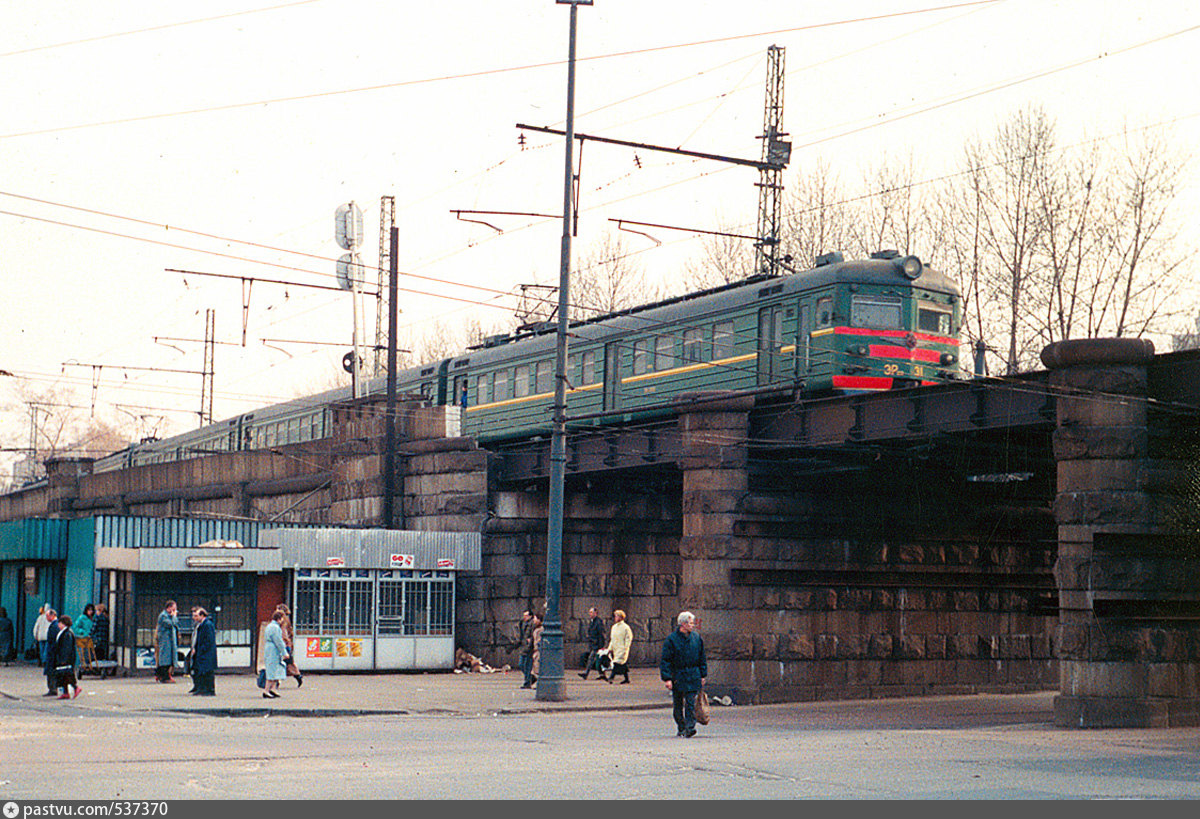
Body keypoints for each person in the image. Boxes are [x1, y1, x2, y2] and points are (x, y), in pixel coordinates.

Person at [660, 610, 707, 738]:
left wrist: (703, 675)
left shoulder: (696, 638)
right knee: (678, 704)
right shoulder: (671, 640)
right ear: (683, 624)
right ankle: (681, 726)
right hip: (678, 675)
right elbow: (666, 660)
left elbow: (702, 657)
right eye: (691, 623)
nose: (693, 625)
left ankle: (690, 727)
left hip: (693, 674)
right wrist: (667, 678)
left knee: (691, 702)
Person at [51, 614, 81, 699]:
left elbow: (66, 648)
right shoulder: (64, 632)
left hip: (65, 659)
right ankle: (65, 692)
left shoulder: (67, 634)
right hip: (62, 658)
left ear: (63, 623)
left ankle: (75, 688)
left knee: (67, 675)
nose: (58, 625)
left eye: (59, 623)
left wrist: (64, 659)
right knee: (63, 676)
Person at [190, 607, 217, 696]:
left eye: (196, 616)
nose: (195, 618)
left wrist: (201, 650)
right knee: (202, 671)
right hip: (203, 652)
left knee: (207, 672)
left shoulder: (207, 625)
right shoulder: (202, 625)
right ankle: (203, 689)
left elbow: (208, 640)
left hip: (207, 653)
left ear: (202, 615)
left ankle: (209, 690)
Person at [262, 610, 288, 699]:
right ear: (279, 619)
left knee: (275, 668)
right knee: (272, 669)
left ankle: (273, 688)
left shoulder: (269, 626)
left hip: (269, 648)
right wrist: (284, 652)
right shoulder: (275, 628)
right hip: (273, 650)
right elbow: (278, 641)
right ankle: (266, 690)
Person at [275, 603, 303, 687]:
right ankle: (298, 675)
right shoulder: (287, 619)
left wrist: (284, 642)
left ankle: (277, 681)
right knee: (289, 662)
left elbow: (284, 633)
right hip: (287, 644)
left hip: (284, 645)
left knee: (281, 663)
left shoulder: (283, 621)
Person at [578, 607, 608, 680]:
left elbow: (601, 634)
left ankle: (586, 673)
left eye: (591, 612)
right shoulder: (592, 621)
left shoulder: (598, 622)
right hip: (593, 644)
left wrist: (601, 646)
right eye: (589, 612)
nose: (590, 614)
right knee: (598, 660)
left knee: (591, 659)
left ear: (595, 613)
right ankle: (602, 674)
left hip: (597, 644)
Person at [606, 609, 633, 684]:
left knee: (616, 663)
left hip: (622, 649)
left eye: (617, 616)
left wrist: (625, 648)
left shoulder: (626, 628)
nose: (615, 618)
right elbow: (612, 639)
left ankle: (611, 677)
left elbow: (628, 639)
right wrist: (610, 648)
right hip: (616, 649)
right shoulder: (614, 627)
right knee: (622, 664)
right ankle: (626, 678)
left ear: (621, 617)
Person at [154, 600, 179, 683]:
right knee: (165, 658)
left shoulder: (168, 616)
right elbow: (171, 624)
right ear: (169, 608)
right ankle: (163, 676)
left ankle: (161, 674)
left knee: (169, 658)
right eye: (174, 608)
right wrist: (174, 616)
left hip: (170, 640)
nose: (175, 610)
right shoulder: (163, 616)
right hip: (165, 639)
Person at [41, 608, 60, 696]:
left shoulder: (55, 626)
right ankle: (53, 688)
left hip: (52, 652)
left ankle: (52, 689)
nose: (46, 618)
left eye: (47, 616)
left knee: (51, 671)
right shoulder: (55, 625)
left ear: (53, 615)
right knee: (51, 670)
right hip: (52, 651)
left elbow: (52, 640)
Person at [516, 610, 535, 689]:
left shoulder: (532, 624)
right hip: (523, 646)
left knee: (527, 665)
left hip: (528, 647)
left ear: (530, 616)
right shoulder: (522, 623)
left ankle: (527, 681)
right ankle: (530, 678)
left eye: (526, 615)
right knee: (521, 664)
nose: (524, 617)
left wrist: (530, 641)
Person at [529, 613, 543, 687]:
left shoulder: (541, 629)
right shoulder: (535, 629)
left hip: (538, 650)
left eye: (535, 618)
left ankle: (537, 683)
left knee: (537, 667)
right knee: (534, 668)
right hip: (535, 650)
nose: (534, 620)